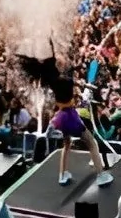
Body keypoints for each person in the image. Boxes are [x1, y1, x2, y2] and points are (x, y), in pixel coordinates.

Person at [18, 54, 113, 188]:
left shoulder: (53, 83)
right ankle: (101, 175)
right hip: (71, 117)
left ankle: (62, 175)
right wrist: (84, 87)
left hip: (60, 118)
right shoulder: (66, 81)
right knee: (92, 143)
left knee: (67, 144)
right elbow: (75, 88)